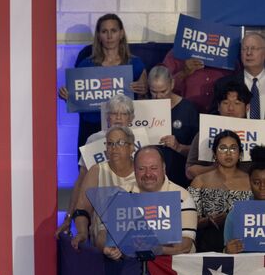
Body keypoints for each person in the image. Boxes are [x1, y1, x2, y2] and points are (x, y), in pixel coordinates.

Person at [58, 14, 148, 149]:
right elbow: (78, 101)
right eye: (104, 31)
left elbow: (143, 101)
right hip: (91, 129)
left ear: (121, 34)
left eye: (114, 31)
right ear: (99, 36)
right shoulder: (85, 64)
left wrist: (143, 91)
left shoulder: (136, 64)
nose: (109, 36)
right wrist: (67, 96)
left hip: (123, 130)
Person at [56, 95, 135, 236]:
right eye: (113, 113)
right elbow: (81, 181)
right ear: (107, 117)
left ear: (130, 118)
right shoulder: (94, 139)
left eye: (123, 114)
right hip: (100, 212)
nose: (118, 118)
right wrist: (68, 217)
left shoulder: (140, 140)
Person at [101, 146, 196, 260]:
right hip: (130, 264)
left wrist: (155, 249)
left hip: (172, 266)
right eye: (141, 168)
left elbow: (185, 245)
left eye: (153, 168)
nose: (148, 174)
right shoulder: (119, 195)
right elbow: (102, 234)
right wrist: (108, 247)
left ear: (164, 168)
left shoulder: (182, 196)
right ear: (134, 170)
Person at [70, 126, 137, 249]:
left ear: (132, 147)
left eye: (120, 143)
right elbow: (82, 210)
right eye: (110, 143)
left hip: (137, 239)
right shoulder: (97, 171)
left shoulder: (142, 170)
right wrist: (82, 232)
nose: (114, 148)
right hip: (103, 243)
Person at [188, 131, 251, 252]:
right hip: (208, 245)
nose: (228, 153)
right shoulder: (199, 181)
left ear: (240, 154)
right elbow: (188, 221)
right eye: (223, 148)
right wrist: (208, 221)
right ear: (214, 153)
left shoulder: (251, 181)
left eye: (233, 148)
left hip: (244, 246)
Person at [186, 81, 251, 179]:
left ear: (247, 108)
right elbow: (189, 171)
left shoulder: (259, 133)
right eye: (225, 103)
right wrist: (216, 168)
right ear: (218, 106)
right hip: (211, 188)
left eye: (237, 103)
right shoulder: (205, 133)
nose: (231, 108)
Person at [148, 65, 200, 188]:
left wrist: (179, 147)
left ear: (172, 84)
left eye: (163, 91)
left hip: (178, 177)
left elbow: (199, 153)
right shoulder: (142, 108)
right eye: (153, 92)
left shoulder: (188, 109)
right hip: (150, 179)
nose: (158, 97)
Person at [161, 49, 232, 114]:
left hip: (219, 117)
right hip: (184, 115)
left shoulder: (230, 55)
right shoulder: (177, 52)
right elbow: (160, 87)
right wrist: (183, 73)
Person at [211, 33, 265, 115]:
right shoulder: (223, 84)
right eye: (244, 49)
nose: (249, 53)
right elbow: (213, 117)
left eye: (254, 48)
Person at [224, 146, 265, 254]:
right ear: (249, 182)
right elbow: (227, 253)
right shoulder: (235, 214)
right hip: (248, 268)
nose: (262, 187)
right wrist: (228, 251)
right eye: (256, 182)